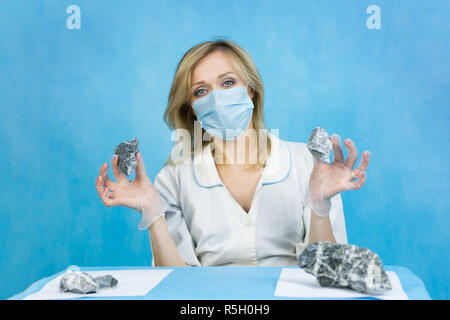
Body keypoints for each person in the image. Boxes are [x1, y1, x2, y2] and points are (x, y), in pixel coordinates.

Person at [95, 39, 370, 267]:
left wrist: (320, 205)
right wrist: (153, 212)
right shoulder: (173, 179)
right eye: (201, 91)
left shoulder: (308, 164)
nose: (216, 98)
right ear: (192, 108)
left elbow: (329, 271)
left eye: (228, 83)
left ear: (250, 90)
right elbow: (177, 288)